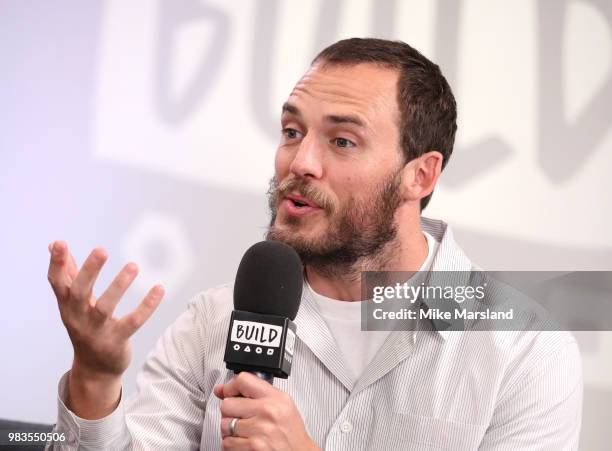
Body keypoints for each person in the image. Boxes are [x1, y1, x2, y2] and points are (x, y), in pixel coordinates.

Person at [46, 38, 582, 450]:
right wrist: (94, 379)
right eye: (291, 130)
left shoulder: (523, 347)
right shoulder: (214, 320)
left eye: (342, 141)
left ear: (420, 176)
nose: (299, 162)